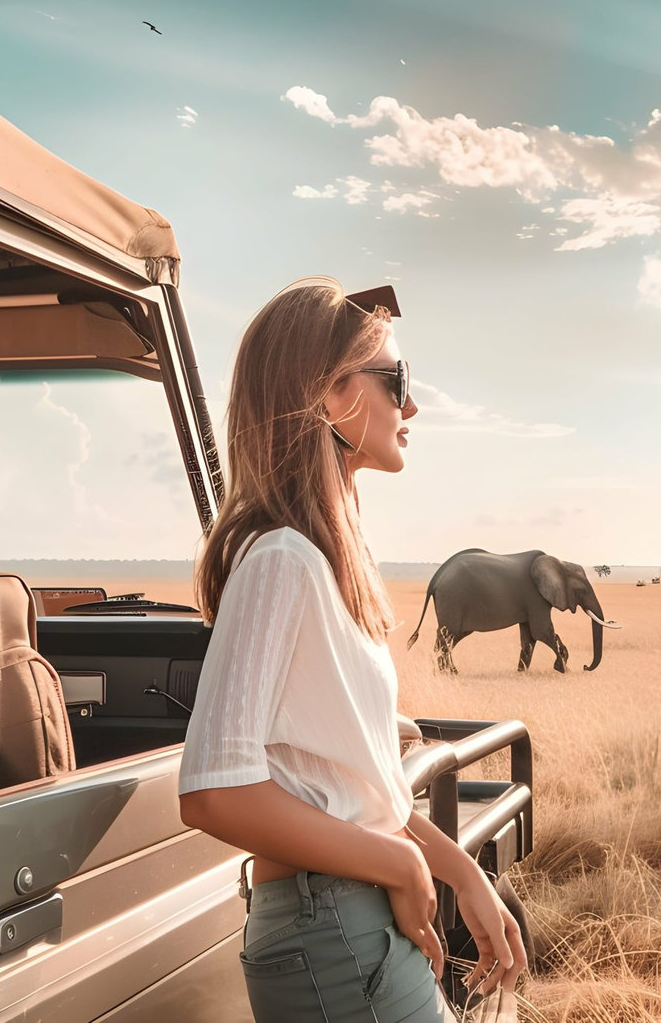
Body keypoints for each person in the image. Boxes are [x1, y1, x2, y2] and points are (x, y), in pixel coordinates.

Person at [178, 277, 526, 1021]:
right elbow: (214, 787)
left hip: (347, 918)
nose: (412, 405)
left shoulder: (317, 560)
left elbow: (354, 786)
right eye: (396, 379)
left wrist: (459, 870)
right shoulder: (282, 560)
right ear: (332, 397)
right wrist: (398, 862)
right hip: (332, 925)